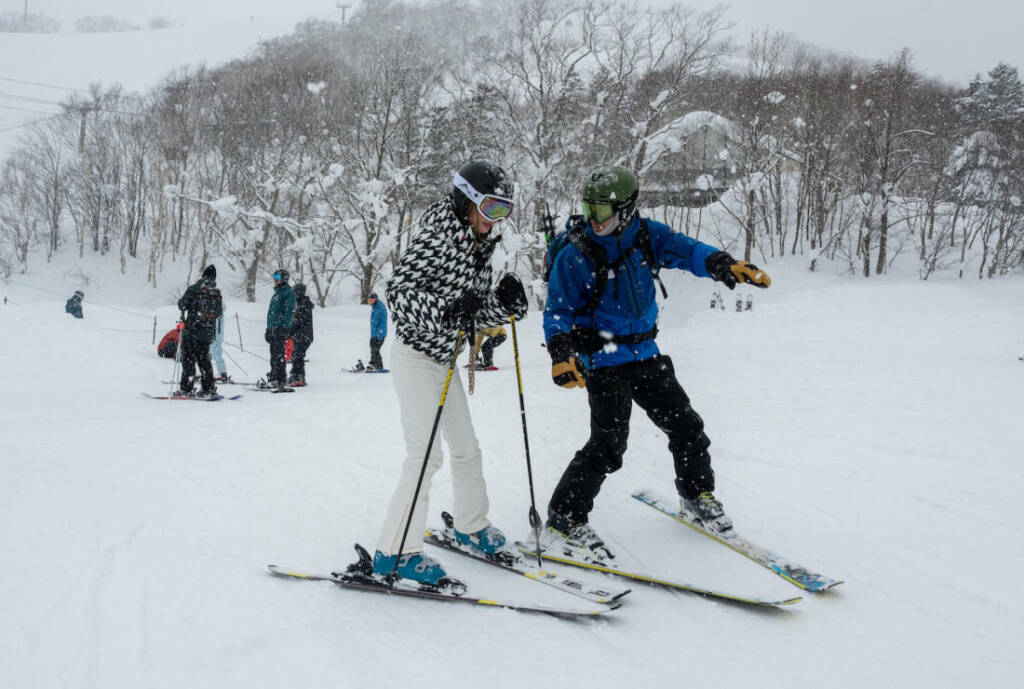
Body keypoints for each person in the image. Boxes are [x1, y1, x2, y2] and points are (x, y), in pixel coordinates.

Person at [542, 165, 771, 556]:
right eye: (589, 209)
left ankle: (698, 497)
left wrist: (721, 264)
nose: (594, 220)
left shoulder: (647, 235)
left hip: (646, 354)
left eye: (602, 211)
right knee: (609, 444)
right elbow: (557, 312)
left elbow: (688, 251)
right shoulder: (574, 254)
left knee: (687, 427)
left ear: (627, 210)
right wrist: (562, 355)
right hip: (603, 360)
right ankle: (565, 517)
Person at [373, 160, 529, 586]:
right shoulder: (439, 236)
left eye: (505, 211)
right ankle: (395, 552)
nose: (497, 220)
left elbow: (472, 315)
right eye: (492, 208)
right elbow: (399, 293)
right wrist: (444, 310)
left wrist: (505, 305)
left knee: (466, 448)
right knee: (425, 457)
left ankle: (470, 525)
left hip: (443, 359)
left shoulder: (480, 244)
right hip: (415, 356)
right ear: (467, 201)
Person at [176, 265, 223, 397]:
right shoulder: (216, 292)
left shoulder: (196, 288)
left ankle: (187, 388)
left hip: (192, 331)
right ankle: (208, 387)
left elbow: (182, 304)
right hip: (207, 333)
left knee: (189, 360)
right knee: (204, 361)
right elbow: (218, 313)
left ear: (204, 275)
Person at [264, 268, 296, 389]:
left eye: (277, 278)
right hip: (273, 328)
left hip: (280, 328)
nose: (275, 280)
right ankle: (274, 376)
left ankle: (280, 378)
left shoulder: (288, 293)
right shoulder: (276, 294)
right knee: (273, 355)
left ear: (284, 279)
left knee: (278, 354)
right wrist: (268, 329)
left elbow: (289, 311)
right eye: (274, 277)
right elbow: (272, 313)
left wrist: (285, 327)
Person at [288, 283, 314, 386]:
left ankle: (298, 377)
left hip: (303, 335)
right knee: (297, 355)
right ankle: (296, 375)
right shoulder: (300, 303)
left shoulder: (304, 304)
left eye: (295, 292)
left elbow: (298, 321)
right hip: (300, 335)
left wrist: (289, 331)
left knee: (298, 355)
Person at [367, 292, 387, 370]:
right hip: (374, 333)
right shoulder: (375, 308)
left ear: (375, 300)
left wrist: (379, 335)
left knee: (375, 349)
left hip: (380, 334)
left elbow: (383, 322)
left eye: (371, 301)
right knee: (373, 348)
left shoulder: (381, 308)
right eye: (369, 301)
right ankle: (379, 365)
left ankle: (374, 364)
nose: (370, 303)